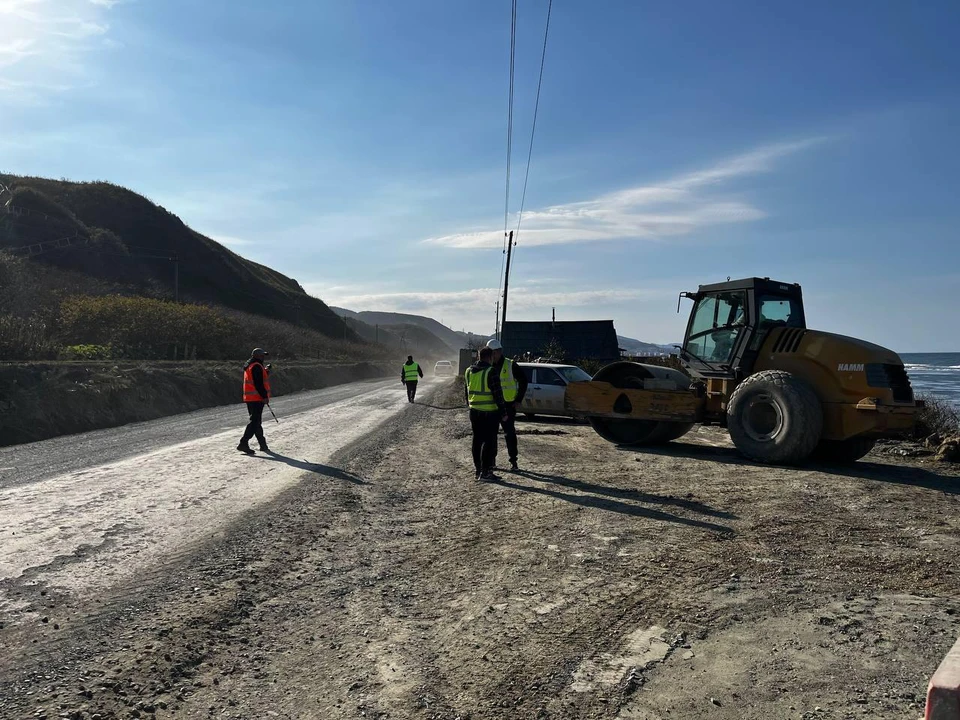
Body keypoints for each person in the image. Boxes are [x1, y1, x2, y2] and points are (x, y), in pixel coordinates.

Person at [464, 346, 507, 481]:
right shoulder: (491, 371)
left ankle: (478, 471)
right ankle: (486, 472)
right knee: (488, 442)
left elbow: (467, 391)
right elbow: (497, 394)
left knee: (477, 440)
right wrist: (503, 412)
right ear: (491, 357)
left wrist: (470, 405)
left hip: (474, 412)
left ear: (478, 356)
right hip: (489, 413)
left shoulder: (469, 371)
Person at [485, 338, 528, 471]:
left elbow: (523, 381)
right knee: (491, 435)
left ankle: (513, 462)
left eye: (493, 353)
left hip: (508, 406)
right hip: (492, 406)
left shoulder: (510, 364)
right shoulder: (487, 366)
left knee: (510, 434)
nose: (491, 356)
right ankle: (492, 462)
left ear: (498, 352)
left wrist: (518, 400)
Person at [238, 348, 271, 454]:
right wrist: (264, 396)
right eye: (262, 355)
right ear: (257, 356)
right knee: (255, 422)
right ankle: (243, 443)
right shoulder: (256, 366)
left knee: (256, 422)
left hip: (251, 398)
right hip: (257, 398)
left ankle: (263, 445)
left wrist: (266, 371)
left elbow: (257, 379)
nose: (263, 357)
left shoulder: (251, 365)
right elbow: (258, 384)